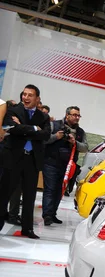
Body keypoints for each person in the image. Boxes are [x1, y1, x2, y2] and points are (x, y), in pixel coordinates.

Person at [0, 85, 51, 238]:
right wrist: (35, 129)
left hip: (32, 160)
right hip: (13, 159)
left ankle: (27, 228)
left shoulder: (43, 117)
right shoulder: (13, 110)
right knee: (4, 194)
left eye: (30, 95)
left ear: (37, 99)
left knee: (30, 196)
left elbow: (46, 135)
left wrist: (24, 128)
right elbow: (11, 129)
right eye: (24, 94)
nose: (26, 98)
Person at [42, 106, 88, 226]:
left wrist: (75, 143)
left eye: (78, 115)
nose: (77, 117)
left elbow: (85, 147)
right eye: (74, 115)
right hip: (51, 163)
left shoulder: (80, 132)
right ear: (67, 115)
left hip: (68, 166)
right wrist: (56, 137)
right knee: (50, 189)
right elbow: (43, 140)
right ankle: (47, 214)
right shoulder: (54, 125)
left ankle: (52, 214)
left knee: (59, 190)